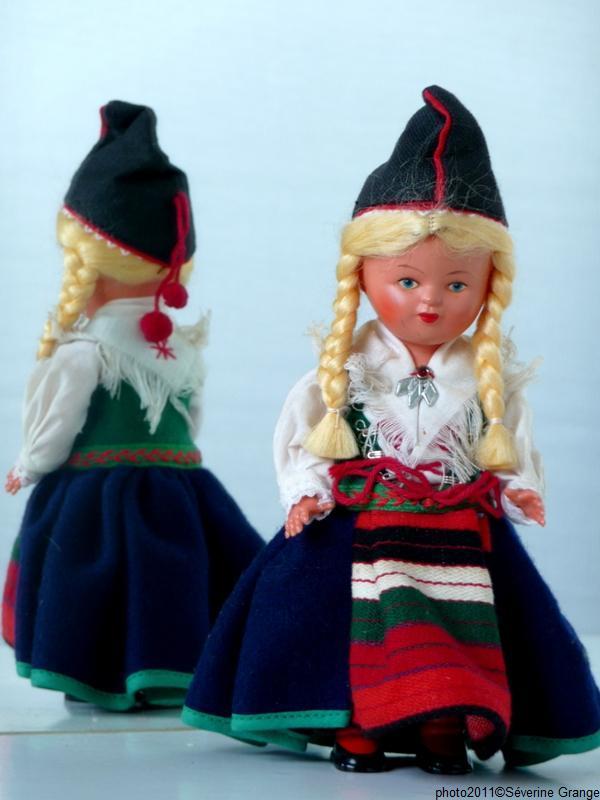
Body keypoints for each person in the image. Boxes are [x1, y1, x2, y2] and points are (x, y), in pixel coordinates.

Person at [182, 86, 600, 772]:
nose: (430, 300)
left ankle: (441, 729)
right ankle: (359, 731)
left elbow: (512, 444)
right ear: (363, 277)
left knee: (454, 635)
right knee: (348, 632)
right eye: (407, 281)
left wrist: (517, 486)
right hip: (359, 530)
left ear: (488, 286)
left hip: (455, 535)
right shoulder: (345, 370)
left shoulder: (487, 380)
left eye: (456, 285)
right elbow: (303, 435)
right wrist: (306, 490)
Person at [1, 100, 263, 711]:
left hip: (94, 493)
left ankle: (102, 671)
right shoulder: (181, 347)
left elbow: (58, 424)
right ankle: (170, 670)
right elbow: (190, 418)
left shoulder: (86, 351)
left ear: (89, 263)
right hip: (179, 486)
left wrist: (31, 465)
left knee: (98, 585)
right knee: (170, 581)